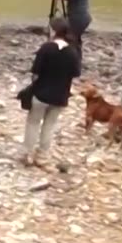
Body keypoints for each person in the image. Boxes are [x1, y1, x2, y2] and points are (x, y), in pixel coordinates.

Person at [22, 18, 81, 166]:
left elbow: (35, 73)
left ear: (54, 31)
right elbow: (75, 73)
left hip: (42, 93)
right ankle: (42, 155)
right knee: (50, 125)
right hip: (60, 95)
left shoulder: (46, 48)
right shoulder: (73, 51)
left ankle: (28, 154)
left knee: (33, 122)